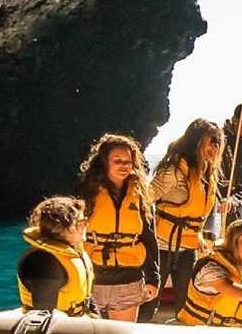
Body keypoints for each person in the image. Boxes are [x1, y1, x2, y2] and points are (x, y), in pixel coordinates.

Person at [142, 118, 223, 320]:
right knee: (149, 303)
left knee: (186, 305)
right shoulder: (173, 171)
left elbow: (198, 215)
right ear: (197, 141)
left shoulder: (208, 175)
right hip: (161, 247)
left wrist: (201, 239)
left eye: (219, 142)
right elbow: (145, 199)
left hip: (188, 249)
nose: (216, 146)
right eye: (212, 140)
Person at [77, 133, 159, 322]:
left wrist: (153, 278)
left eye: (128, 161)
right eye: (118, 161)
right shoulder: (87, 192)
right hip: (93, 276)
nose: (124, 165)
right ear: (105, 162)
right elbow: (71, 235)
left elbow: (148, 238)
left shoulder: (140, 195)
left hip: (128, 279)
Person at [17, 196, 95, 316]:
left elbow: (88, 300)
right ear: (58, 228)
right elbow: (43, 314)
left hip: (78, 321)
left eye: (85, 221)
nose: (85, 226)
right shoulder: (43, 262)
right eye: (80, 223)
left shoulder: (74, 251)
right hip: (57, 329)